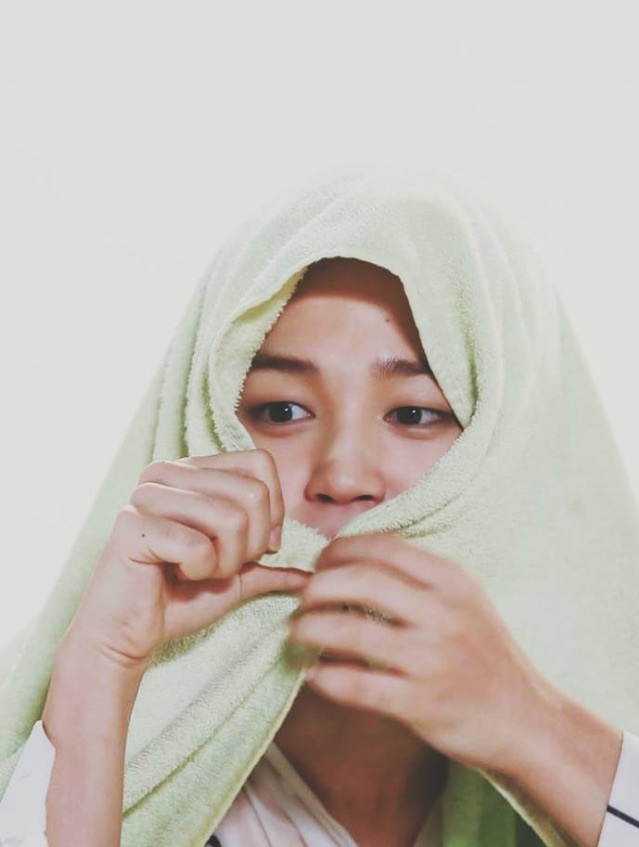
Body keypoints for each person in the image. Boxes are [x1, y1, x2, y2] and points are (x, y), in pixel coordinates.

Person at [1, 165, 639, 847]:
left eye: (414, 413)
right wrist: (99, 672)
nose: (343, 475)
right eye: (282, 410)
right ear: (206, 427)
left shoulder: (589, 752)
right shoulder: (86, 715)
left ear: (511, 455)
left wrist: (531, 727)